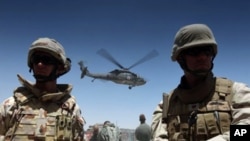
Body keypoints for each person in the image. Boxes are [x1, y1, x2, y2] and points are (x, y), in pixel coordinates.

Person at [151, 23, 250, 141]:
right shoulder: (167, 104)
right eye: (195, 52)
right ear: (180, 58)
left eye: (207, 51)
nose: (203, 57)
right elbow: (159, 138)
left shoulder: (237, 92)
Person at [0, 37, 85, 140]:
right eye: (36, 60)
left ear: (59, 67)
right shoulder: (12, 105)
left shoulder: (71, 108)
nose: (40, 64)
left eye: (46, 60)